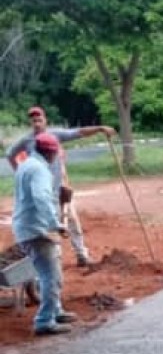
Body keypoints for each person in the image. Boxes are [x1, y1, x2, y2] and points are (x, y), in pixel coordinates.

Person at [6, 106, 115, 266]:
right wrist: (19, 170)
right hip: (42, 192)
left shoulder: (55, 135)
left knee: (72, 221)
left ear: (45, 120)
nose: (36, 123)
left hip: (60, 187)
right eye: (33, 120)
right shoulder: (27, 140)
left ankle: (81, 255)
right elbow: (10, 153)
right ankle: (52, 261)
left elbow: (78, 132)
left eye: (39, 119)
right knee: (49, 227)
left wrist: (99, 128)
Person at [11, 132, 79, 337]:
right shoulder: (40, 170)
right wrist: (55, 225)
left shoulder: (27, 164)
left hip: (28, 227)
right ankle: (44, 321)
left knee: (47, 272)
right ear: (51, 153)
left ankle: (55, 311)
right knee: (52, 276)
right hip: (36, 231)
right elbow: (41, 198)